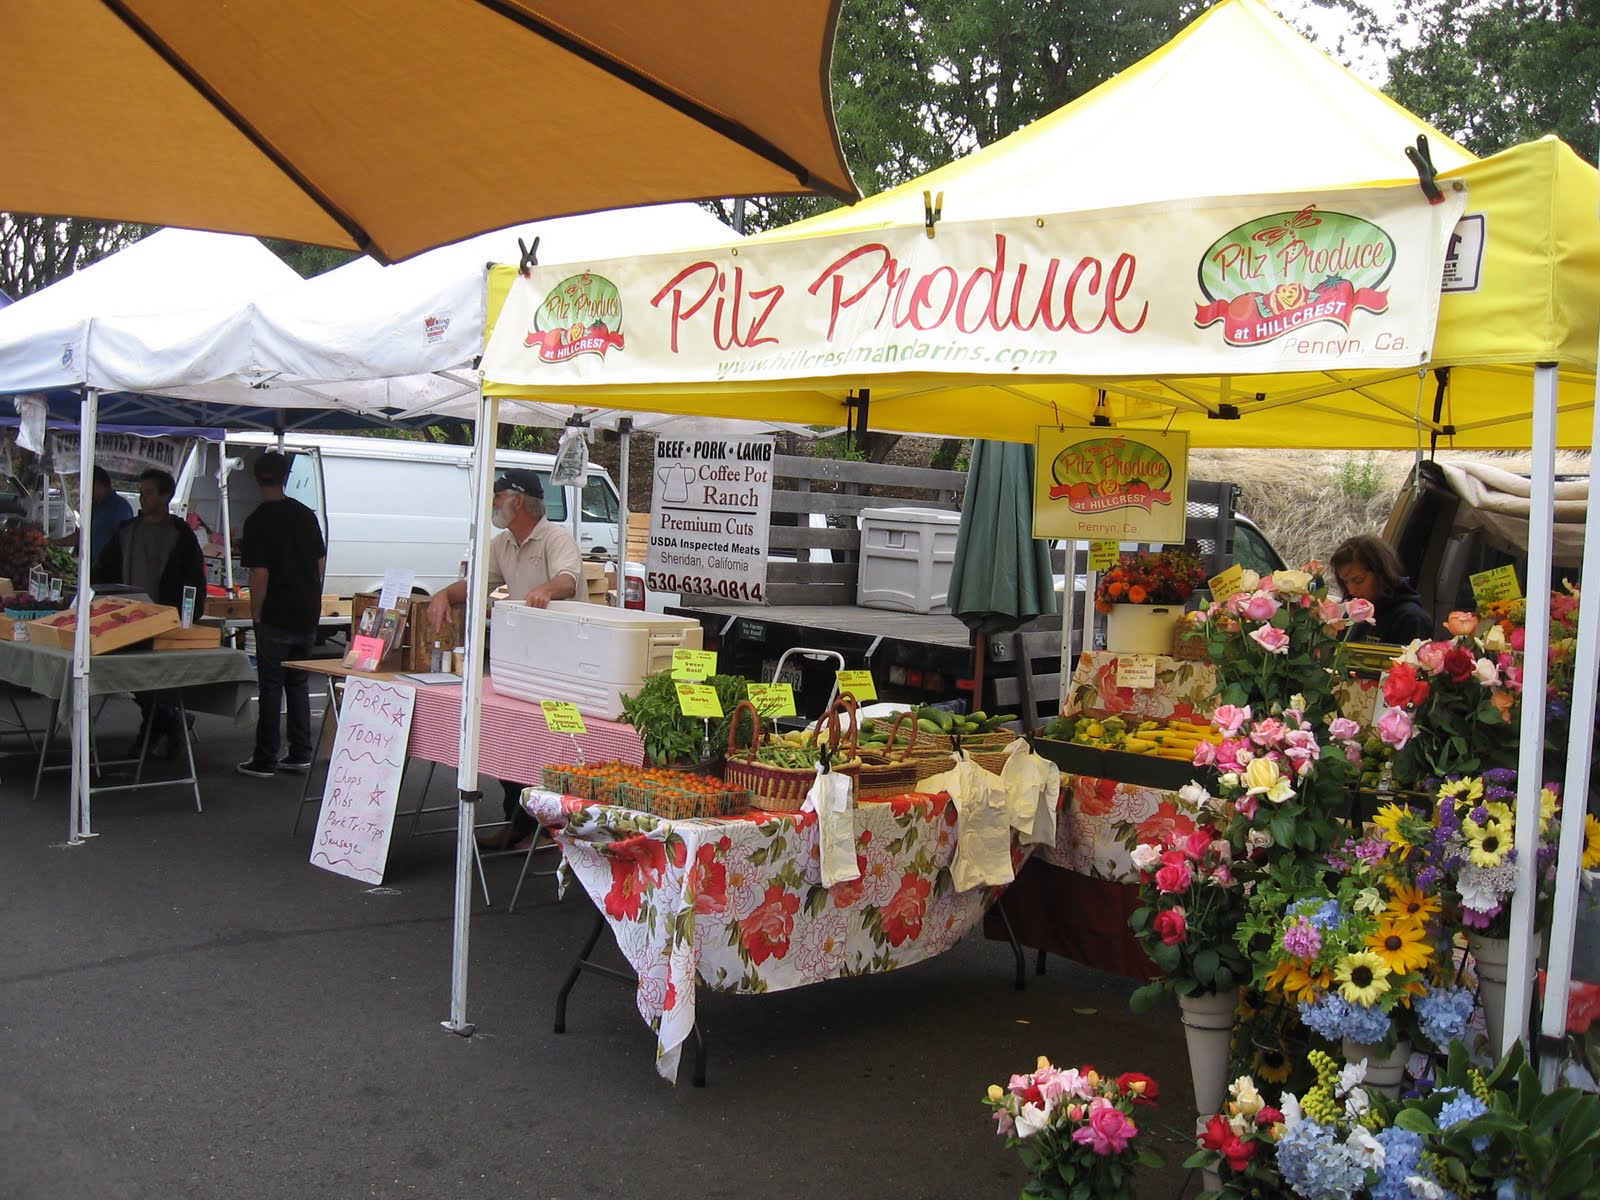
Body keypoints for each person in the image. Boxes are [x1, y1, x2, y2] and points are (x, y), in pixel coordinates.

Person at [428, 468, 582, 851]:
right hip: (524, 655)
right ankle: (519, 820)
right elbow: (477, 583)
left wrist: (547, 589)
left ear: (518, 500)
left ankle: (546, 825)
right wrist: (443, 595)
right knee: (506, 735)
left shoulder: (555, 538)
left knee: (550, 744)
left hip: (562, 659)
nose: (494, 502)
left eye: (498, 495)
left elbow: (569, 580)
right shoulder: (502, 542)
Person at [92, 468, 206, 757]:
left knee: (154, 682)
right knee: (134, 681)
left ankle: (155, 730)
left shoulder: (181, 535)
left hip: (165, 620)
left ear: (165, 496)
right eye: (141, 492)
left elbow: (194, 580)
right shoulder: (127, 531)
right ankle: (170, 721)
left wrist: (189, 616)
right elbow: (103, 570)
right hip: (126, 620)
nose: (143, 498)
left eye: (149, 492)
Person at [236, 452, 327, 779]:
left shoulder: (257, 521)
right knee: (298, 683)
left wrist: (256, 614)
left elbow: (259, 574)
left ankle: (265, 758)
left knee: (271, 686)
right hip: (306, 610)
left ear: (257, 479)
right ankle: (300, 752)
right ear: (285, 477)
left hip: (275, 612)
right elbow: (319, 564)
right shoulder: (305, 515)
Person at [1330, 534, 1432, 645]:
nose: (1351, 591)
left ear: (1381, 573)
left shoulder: (1410, 619)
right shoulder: (1355, 613)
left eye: (1358, 580)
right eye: (1346, 582)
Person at [57, 466, 133, 562]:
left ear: (101, 484)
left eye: (89, 485)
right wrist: (55, 543)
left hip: (108, 567)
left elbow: (125, 542)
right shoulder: (94, 506)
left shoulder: (120, 507)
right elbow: (81, 535)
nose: (85, 489)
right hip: (91, 565)